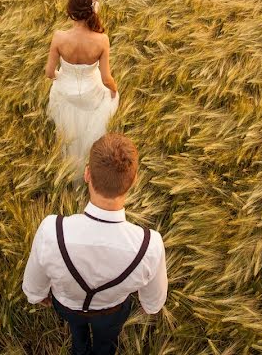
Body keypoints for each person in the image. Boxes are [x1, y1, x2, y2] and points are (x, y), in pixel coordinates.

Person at [22, 134, 168, 355]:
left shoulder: (52, 231)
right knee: (106, 343)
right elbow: (152, 305)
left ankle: (79, 347)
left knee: (76, 331)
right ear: (134, 179)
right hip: (112, 312)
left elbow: (33, 291)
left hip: (67, 307)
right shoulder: (150, 246)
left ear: (87, 173)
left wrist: (46, 296)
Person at [45, 0, 119, 174]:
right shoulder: (102, 40)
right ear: (92, 11)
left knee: (67, 132)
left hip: (66, 93)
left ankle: (67, 165)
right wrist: (114, 90)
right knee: (95, 120)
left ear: (70, 11)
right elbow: (105, 78)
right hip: (91, 95)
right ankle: (89, 164)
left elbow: (49, 73)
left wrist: (62, 78)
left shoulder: (59, 37)